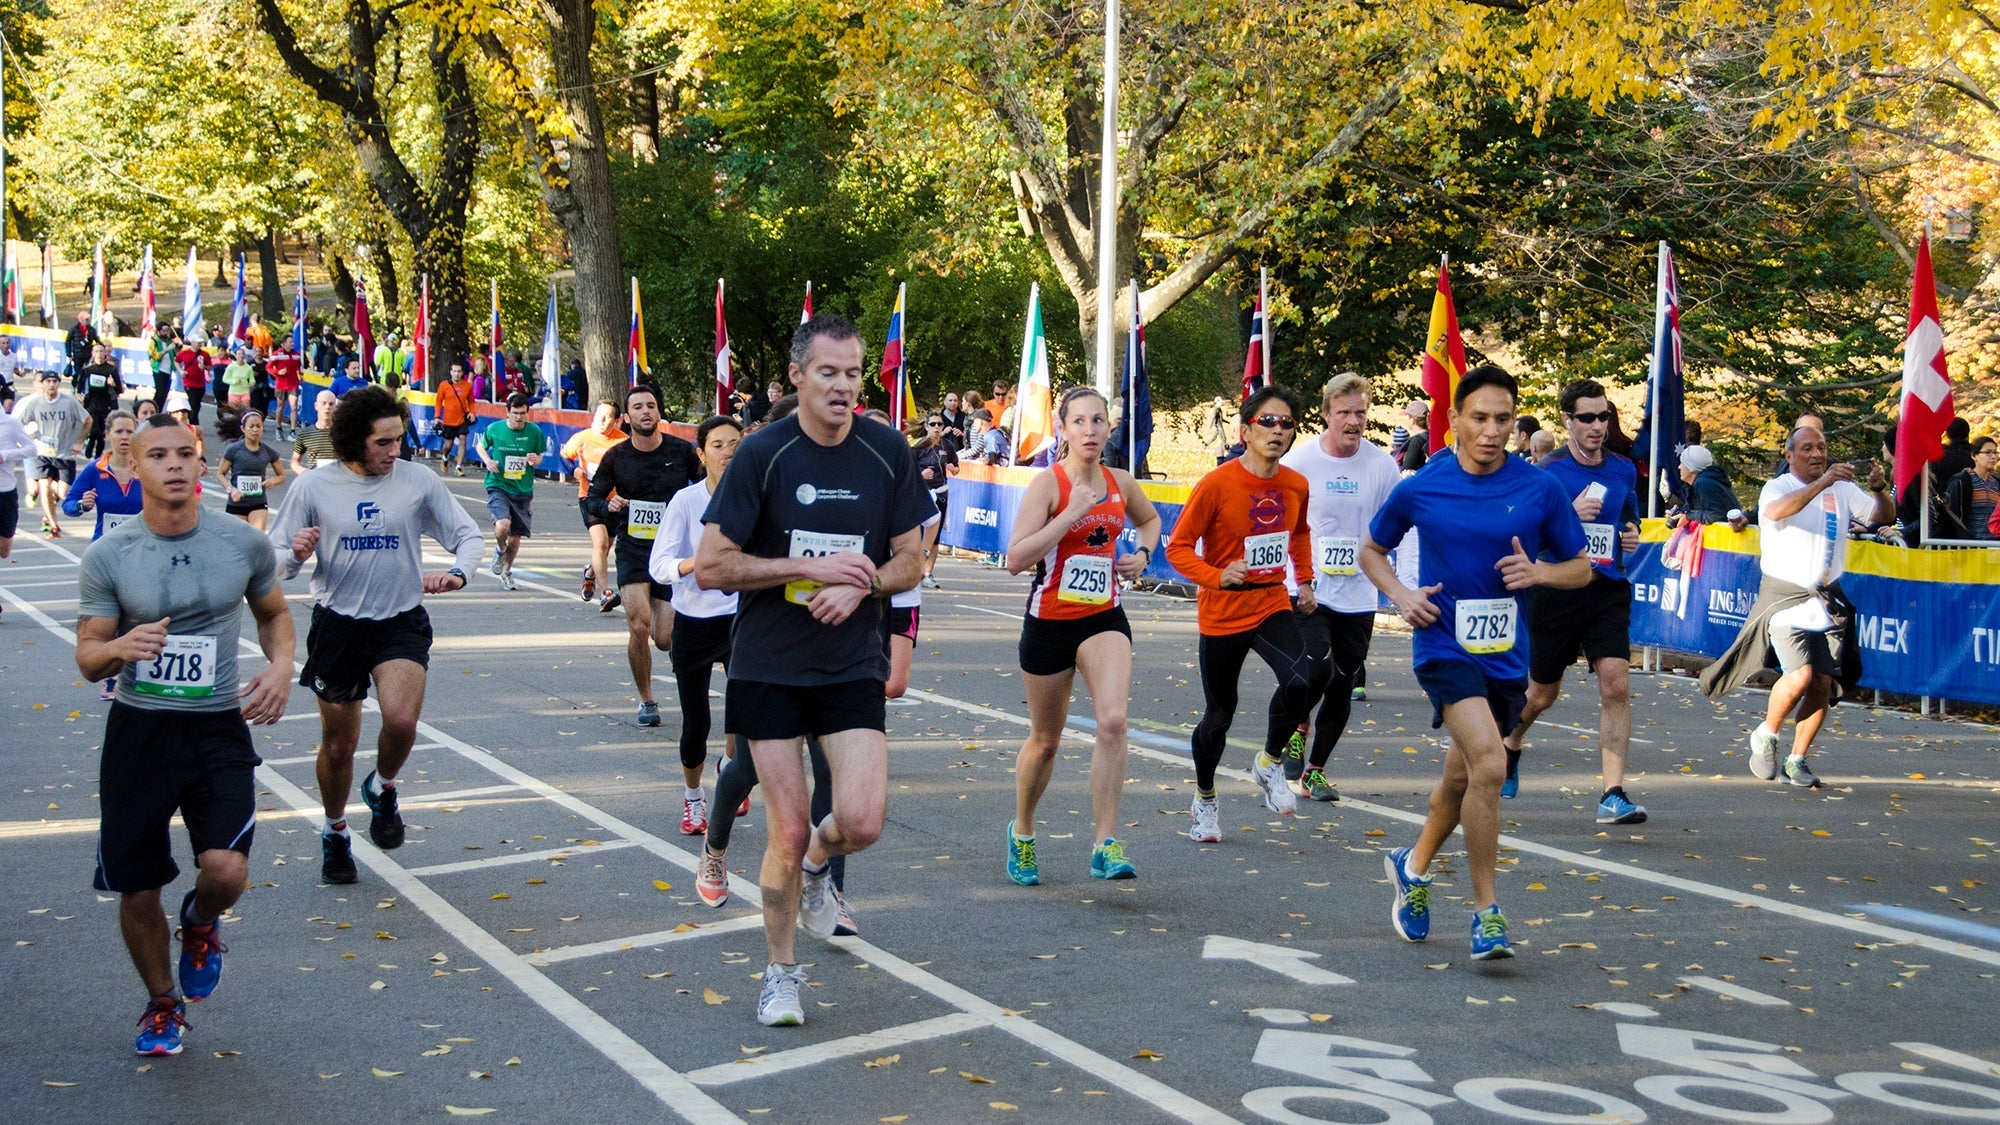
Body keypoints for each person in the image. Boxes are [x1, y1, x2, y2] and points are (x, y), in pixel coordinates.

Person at [693, 313, 932, 1028]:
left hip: (850, 660)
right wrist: (805, 565)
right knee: (787, 830)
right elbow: (712, 565)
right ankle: (780, 972)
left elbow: (912, 559)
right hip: (769, 664)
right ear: (797, 376)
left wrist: (862, 582)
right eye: (828, 372)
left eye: (854, 373)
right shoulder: (762, 455)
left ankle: (825, 867)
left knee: (860, 818)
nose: (842, 386)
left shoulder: (887, 451)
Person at [74, 414, 295, 1056]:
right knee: (137, 882)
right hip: (140, 731)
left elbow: (274, 613)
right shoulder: (110, 555)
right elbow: (88, 657)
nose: (174, 465)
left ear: (202, 466)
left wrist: (281, 665)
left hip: (216, 729)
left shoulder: (240, 543)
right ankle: (162, 1004)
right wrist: (119, 645)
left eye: (185, 454)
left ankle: (200, 923)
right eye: (158, 456)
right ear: (133, 467)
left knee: (225, 870)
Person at [1361, 364, 1591, 961]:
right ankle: (1487, 913)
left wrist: (1541, 572)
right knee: (1490, 765)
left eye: (1503, 419)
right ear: (1456, 420)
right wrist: (1402, 596)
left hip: (1505, 656)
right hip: (1442, 646)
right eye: (1480, 418)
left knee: (1460, 777)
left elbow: (1583, 567)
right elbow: (1372, 550)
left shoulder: (1539, 488)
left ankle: (1411, 868)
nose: (1492, 431)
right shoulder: (1422, 487)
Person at [266, 385, 484, 885]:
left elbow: (466, 534)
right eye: (383, 442)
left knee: (402, 722)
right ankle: (335, 830)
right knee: (339, 746)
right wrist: (296, 554)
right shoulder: (315, 487)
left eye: (399, 439)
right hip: (338, 625)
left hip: (400, 621)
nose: (395, 451)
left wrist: (458, 573)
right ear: (352, 440)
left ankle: (383, 787)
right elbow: (275, 564)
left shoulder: (417, 480)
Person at [1003, 386, 1161, 885]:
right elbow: (1014, 559)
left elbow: (1151, 519)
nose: (1090, 430)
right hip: (1049, 620)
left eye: (1098, 421)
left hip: (1103, 617)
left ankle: (1105, 842)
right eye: (1079, 422)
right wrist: (1069, 515)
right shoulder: (1047, 485)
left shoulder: (1120, 481)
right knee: (1046, 741)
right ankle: (1023, 832)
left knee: (1113, 721)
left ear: (1110, 428)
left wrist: (1143, 554)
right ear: (1063, 429)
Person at [1163, 384, 1318, 838]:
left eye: (1286, 423)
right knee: (1219, 716)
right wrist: (1215, 575)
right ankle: (1205, 799)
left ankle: (1269, 763)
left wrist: (1303, 579)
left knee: (1302, 680)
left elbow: (1301, 533)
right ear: (1245, 430)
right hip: (1223, 611)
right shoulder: (1216, 483)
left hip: (1270, 601)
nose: (1277, 430)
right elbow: (1178, 547)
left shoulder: (1295, 484)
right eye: (1267, 421)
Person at [1699, 426, 1893, 788]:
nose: (1818, 454)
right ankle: (1767, 734)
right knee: (1800, 674)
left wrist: (1880, 490)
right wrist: (1823, 484)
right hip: (1787, 598)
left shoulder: (1843, 488)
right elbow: (1775, 512)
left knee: (1822, 681)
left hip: (1827, 596)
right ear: (1789, 456)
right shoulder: (1780, 486)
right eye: (1808, 448)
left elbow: (1882, 517)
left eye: (1822, 447)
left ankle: (1797, 759)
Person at [1500, 379, 1646, 822]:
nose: (1597, 425)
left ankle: (1613, 794)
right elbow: (1523, 534)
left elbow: (1627, 516)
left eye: (1604, 416)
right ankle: (1510, 742)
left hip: (1606, 588)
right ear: (1568, 421)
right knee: (1542, 693)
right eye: (1587, 417)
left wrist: (1632, 534)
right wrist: (1567, 514)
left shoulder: (1622, 468)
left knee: (1616, 685)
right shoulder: (1547, 474)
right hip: (1557, 587)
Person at [1277, 373, 1400, 804]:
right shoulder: (1300, 463)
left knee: (1344, 682)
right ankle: (1295, 729)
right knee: (1315, 669)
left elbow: (1394, 522)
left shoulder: (1382, 465)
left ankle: (1316, 771)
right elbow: (1281, 522)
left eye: (1361, 412)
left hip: (1359, 593)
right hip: (1308, 587)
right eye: (1344, 412)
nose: (1353, 421)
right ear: (1327, 414)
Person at [585, 383, 702, 725]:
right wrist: (609, 505)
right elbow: (591, 500)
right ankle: (646, 699)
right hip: (634, 548)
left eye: (651, 405)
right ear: (627, 417)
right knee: (638, 625)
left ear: (659, 412)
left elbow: (706, 490)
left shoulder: (682, 452)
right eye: (638, 407)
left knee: (663, 639)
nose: (646, 411)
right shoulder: (617, 457)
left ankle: (664, 626)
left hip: (673, 551)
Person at [651, 415, 744, 837]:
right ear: (702, 453)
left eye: (735, 443)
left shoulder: (752, 497)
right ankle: (692, 800)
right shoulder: (685, 502)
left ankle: (731, 769)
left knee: (743, 712)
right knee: (696, 723)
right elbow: (660, 565)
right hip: (693, 621)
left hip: (740, 620)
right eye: (719, 444)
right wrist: (697, 565)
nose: (728, 451)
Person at [478, 393, 547, 591]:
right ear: (507, 412)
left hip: (522, 489)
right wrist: (488, 461)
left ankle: (507, 573)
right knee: (502, 524)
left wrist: (535, 459)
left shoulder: (534, 432)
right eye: (515, 413)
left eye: (522, 413)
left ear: (528, 413)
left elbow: (540, 456)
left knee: (515, 538)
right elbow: (480, 446)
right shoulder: (495, 429)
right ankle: (500, 549)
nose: (518, 417)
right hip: (498, 484)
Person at [560, 401, 627, 604]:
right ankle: (606, 593)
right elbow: (564, 456)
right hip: (589, 497)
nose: (601, 420)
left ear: (617, 421)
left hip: (615, 500)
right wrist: (573, 469)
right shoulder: (582, 438)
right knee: (601, 543)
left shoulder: (623, 442)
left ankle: (590, 573)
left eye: (607, 417)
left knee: (606, 548)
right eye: (599, 415)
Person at [16, 369, 90, 537]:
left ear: (58, 384)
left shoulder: (69, 402)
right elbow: (18, 424)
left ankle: (50, 514)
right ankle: (54, 525)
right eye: (47, 381)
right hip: (41, 452)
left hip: (63, 453)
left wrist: (79, 441)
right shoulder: (34, 404)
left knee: (63, 493)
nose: (51, 385)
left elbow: (88, 420)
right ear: (42, 384)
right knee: (44, 486)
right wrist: (26, 437)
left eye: (54, 381)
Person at [217, 410, 286, 531]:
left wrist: (273, 481)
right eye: (251, 426)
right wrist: (231, 489)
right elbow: (220, 474)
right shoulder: (233, 450)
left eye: (258, 426)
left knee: (257, 540)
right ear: (243, 429)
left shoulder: (268, 451)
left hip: (258, 503)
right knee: (238, 541)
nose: (255, 430)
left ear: (262, 429)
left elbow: (281, 475)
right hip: (236, 503)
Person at [912, 412, 958, 587]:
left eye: (940, 424)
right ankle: (916, 569)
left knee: (935, 537)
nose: (937, 427)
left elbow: (956, 467)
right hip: (922, 494)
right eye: (933, 424)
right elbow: (907, 471)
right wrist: (921, 474)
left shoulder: (948, 445)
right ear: (926, 426)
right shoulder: (918, 447)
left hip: (941, 493)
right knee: (918, 534)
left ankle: (928, 573)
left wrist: (954, 469)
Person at [1671, 445, 1744, 527]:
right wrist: (1678, 514)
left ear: (1691, 467)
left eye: (1682, 463)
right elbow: (1696, 511)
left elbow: (1716, 515)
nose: (1679, 467)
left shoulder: (1704, 484)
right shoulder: (1704, 482)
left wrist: (1689, 516)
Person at [1944, 436, 1999, 541]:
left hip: (1994, 546)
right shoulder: (1962, 481)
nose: (1993, 457)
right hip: (1969, 546)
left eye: (1995, 453)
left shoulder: (1996, 484)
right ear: (1974, 456)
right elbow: (1953, 517)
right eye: (1988, 452)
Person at [78, 343, 122, 459]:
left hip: (105, 404)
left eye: (101, 351)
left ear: (105, 354)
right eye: (96, 351)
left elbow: (119, 390)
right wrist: (78, 394)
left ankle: (98, 451)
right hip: (90, 403)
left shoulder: (111, 369)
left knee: (101, 432)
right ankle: (91, 443)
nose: (99, 354)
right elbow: (79, 385)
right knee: (94, 430)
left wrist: (112, 385)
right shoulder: (87, 370)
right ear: (92, 353)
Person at [433, 362, 476, 474]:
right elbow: (438, 401)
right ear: (451, 372)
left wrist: (472, 412)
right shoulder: (444, 385)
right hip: (448, 420)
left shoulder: (467, 386)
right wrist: (437, 416)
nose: (456, 374)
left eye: (459, 371)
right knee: (448, 445)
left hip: (461, 418)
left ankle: (458, 466)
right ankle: (445, 457)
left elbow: (471, 401)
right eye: (454, 371)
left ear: (462, 373)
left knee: (463, 439)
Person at [291, 391, 340, 475]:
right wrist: (303, 471)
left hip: (338, 481)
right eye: (323, 403)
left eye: (331, 404)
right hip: (315, 480)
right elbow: (294, 460)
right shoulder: (305, 434)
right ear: (316, 406)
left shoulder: (344, 434)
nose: (327, 407)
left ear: (335, 408)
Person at [267, 342, 302, 439]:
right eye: (290, 342)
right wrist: (278, 372)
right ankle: (278, 428)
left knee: (294, 407)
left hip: (293, 384)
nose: (292, 343)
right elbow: (268, 367)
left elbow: (300, 366)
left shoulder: (297, 354)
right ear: (284, 344)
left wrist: (301, 374)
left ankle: (293, 431)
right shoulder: (277, 354)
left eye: (292, 342)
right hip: (281, 385)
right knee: (280, 406)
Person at [64, 309, 100, 383]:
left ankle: (84, 386)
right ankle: (76, 384)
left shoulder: (91, 330)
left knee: (87, 371)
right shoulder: (74, 329)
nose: (88, 321)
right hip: (78, 355)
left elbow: (97, 340)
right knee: (79, 372)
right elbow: (68, 341)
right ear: (80, 319)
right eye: (86, 319)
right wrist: (69, 354)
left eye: (88, 319)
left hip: (88, 354)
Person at [1398, 400, 1431, 472]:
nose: (1405, 419)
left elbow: (1407, 470)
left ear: (1412, 420)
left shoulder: (1416, 442)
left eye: (1407, 416)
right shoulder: (1431, 437)